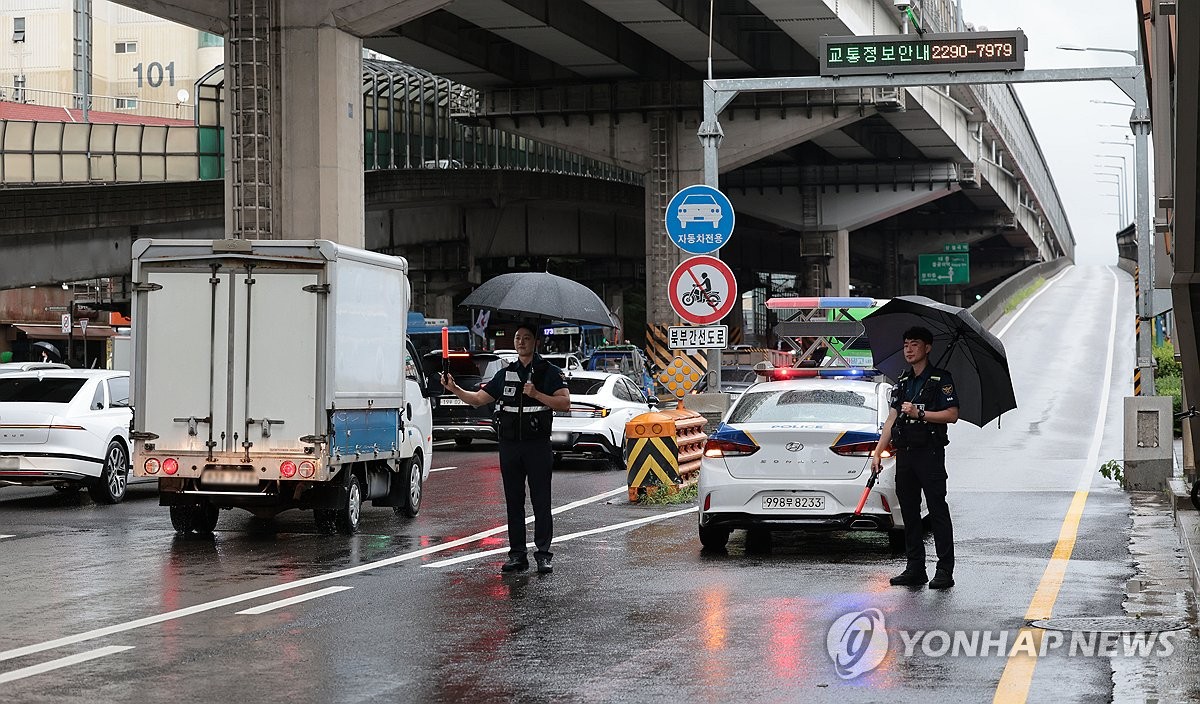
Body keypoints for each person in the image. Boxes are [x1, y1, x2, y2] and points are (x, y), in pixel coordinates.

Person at [442, 322, 570, 574]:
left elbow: (565, 403)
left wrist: (537, 394)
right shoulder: (505, 373)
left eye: (526, 338)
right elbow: (479, 399)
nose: (520, 342)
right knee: (514, 502)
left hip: (537, 445)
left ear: (536, 342)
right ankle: (517, 555)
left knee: (541, 501)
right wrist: (454, 388)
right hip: (510, 446)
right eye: (517, 338)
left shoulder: (549, 372)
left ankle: (543, 555)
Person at [871, 326, 959, 590]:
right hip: (905, 455)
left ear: (927, 348)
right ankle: (915, 568)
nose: (908, 349)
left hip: (929, 454)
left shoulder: (941, 379)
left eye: (914, 344)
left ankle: (944, 570)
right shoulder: (903, 382)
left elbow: (952, 414)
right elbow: (891, 419)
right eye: (906, 344)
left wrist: (922, 414)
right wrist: (877, 452)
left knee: (937, 511)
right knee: (909, 513)